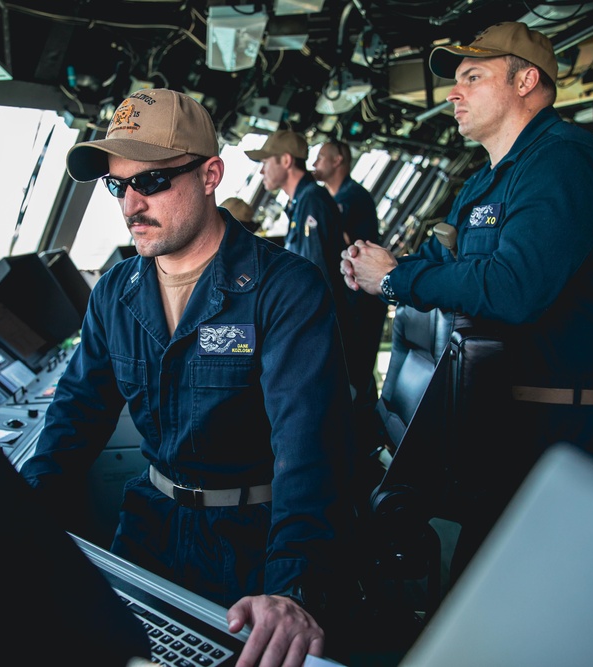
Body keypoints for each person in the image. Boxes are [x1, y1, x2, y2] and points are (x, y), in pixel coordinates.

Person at [19, 88, 357, 666]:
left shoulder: (285, 290)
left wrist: (288, 586)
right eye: (117, 185)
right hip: (149, 527)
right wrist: (15, 515)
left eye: (150, 182)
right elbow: (74, 417)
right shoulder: (115, 292)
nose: (131, 205)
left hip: (252, 543)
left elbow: (309, 448)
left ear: (210, 174)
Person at [340, 22, 593, 579]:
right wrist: (374, 267)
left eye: (472, 77)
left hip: (562, 435)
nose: (454, 91)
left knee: (542, 608)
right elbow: (439, 258)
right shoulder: (483, 183)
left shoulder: (565, 162)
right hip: (502, 429)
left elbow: (514, 288)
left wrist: (397, 281)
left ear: (526, 82)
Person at [313, 139, 388, 413]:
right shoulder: (335, 199)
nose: (314, 164)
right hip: (352, 298)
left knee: (357, 372)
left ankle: (367, 436)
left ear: (338, 161)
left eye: (321, 157)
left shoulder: (352, 199)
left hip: (362, 300)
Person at [244, 130, 348, 326]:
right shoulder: (301, 202)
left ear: (285, 161)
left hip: (319, 319)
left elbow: (316, 269)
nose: (261, 171)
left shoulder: (312, 200)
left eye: (265, 163)